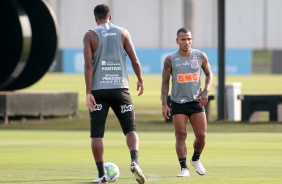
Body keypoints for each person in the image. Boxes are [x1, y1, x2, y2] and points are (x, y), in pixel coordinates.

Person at [83, 4, 146, 184]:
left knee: (97, 135)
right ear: (110, 17)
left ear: (96, 18)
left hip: (98, 91)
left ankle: (101, 174)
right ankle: (134, 161)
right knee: (130, 129)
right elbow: (135, 60)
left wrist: (88, 92)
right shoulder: (123, 32)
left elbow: (88, 65)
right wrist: (140, 79)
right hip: (121, 89)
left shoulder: (90, 35)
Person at [161, 28, 213, 178]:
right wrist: (164, 104)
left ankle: (195, 159)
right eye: (183, 39)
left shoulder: (200, 56)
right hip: (178, 103)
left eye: (189, 39)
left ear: (192, 40)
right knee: (181, 135)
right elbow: (165, 82)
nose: (186, 42)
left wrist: (206, 90)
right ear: (177, 41)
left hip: (196, 101)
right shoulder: (170, 59)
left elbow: (209, 74)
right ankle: (184, 168)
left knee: (202, 136)